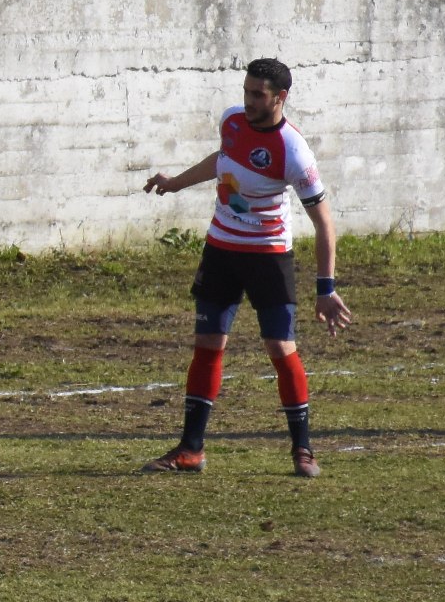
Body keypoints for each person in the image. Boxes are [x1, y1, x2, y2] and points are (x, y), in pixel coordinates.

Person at [141, 57, 353, 476]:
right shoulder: (232, 121)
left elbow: (324, 223)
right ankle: (191, 450)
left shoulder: (293, 150)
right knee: (207, 344)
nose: (249, 101)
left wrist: (325, 288)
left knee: (280, 348)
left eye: (258, 94)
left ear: (280, 97)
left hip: (268, 258)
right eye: (246, 91)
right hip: (220, 251)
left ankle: (303, 450)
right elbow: (223, 159)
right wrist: (175, 183)